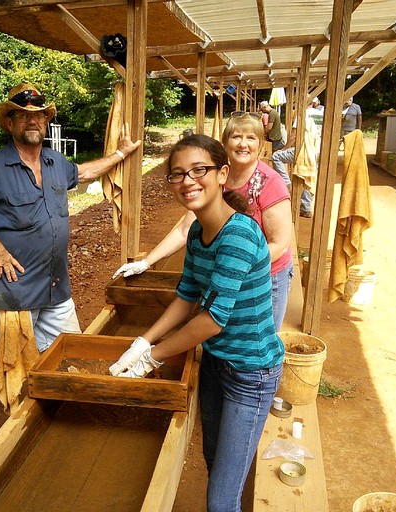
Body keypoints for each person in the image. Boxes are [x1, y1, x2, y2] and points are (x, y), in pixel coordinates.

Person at [109, 134, 284, 511]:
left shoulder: (237, 234)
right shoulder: (197, 233)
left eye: (199, 170)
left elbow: (211, 321)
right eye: (178, 174)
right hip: (218, 364)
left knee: (221, 500)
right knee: (214, 462)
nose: (188, 181)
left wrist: (153, 357)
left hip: (251, 372)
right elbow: (187, 295)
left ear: (222, 174)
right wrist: (142, 341)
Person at [0, 82, 141, 352]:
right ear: (10, 124)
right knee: (19, 369)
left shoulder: (54, 161)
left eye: (39, 115)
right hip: (15, 292)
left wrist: (121, 153)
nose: (32, 120)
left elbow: (83, 173)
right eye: (23, 115)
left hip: (56, 286)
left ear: (46, 121)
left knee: (68, 354)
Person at [114, 114, 293, 332]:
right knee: (225, 330)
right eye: (236, 137)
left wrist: (232, 269)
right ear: (225, 143)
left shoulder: (270, 183)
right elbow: (184, 228)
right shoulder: (214, 177)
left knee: (256, 334)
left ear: (260, 144)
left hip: (265, 274)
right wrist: (146, 262)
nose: (243, 144)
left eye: (251, 138)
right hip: (225, 271)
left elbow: (279, 243)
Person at [272, 105, 323, 218]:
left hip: (304, 150)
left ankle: (286, 183)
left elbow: (294, 135)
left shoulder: (302, 114)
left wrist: (284, 148)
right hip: (318, 150)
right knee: (309, 176)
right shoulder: (320, 113)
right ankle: (306, 207)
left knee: (276, 156)